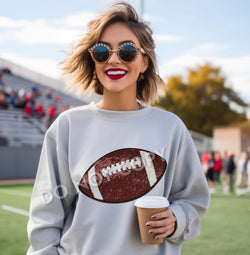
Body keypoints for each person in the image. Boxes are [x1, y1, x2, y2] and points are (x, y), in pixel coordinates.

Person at [27, 2, 210, 255]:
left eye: (127, 51)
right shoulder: (68, 126)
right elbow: (45, 215)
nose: (113, 59)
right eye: (102, 51)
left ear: (144, 62)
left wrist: (177, 218)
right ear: (93, 59)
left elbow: (194, 199)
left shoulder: (171, 128)